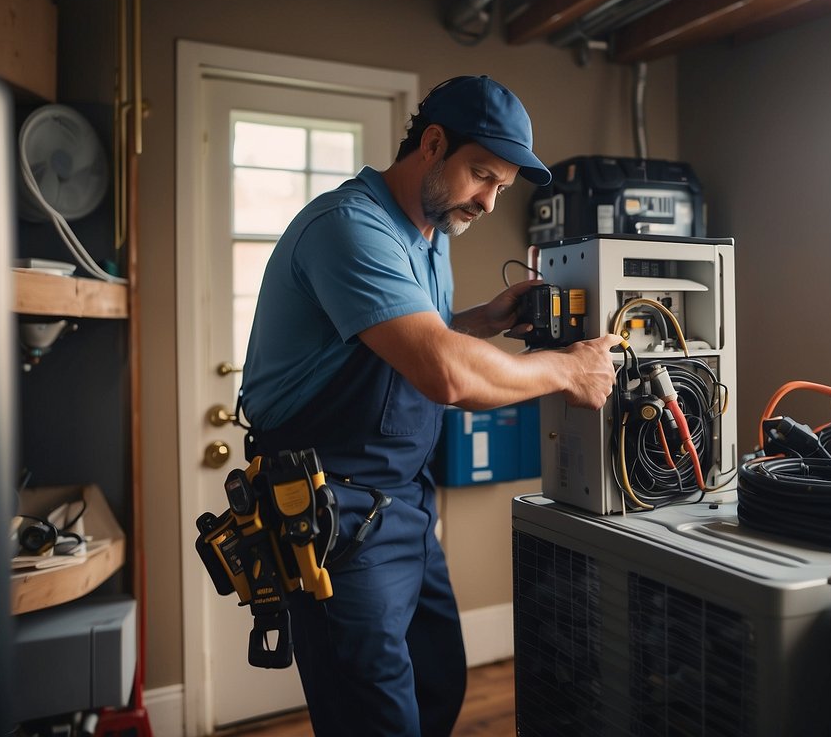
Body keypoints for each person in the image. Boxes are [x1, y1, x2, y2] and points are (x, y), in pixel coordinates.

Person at [238, 75, 620, 736]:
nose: (489, 200)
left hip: (403, 501)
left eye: (501, 185)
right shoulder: (348, 227)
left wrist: (481, 319)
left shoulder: (432, 230)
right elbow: (440, 372)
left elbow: (405, 339)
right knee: (373, 714)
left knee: (437, 682)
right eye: (481, 175)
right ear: (432, 144)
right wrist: (567, 371)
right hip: (333, 512)